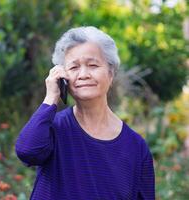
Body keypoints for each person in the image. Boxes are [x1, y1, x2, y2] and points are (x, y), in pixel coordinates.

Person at [15, 26, 155, 200]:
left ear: (111, 74)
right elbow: (27, 152)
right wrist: (51, 97)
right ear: (62, 78)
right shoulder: (52, 129)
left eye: (93, 65)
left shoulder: (136, 147)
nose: (83, 74)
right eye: (73, 68)